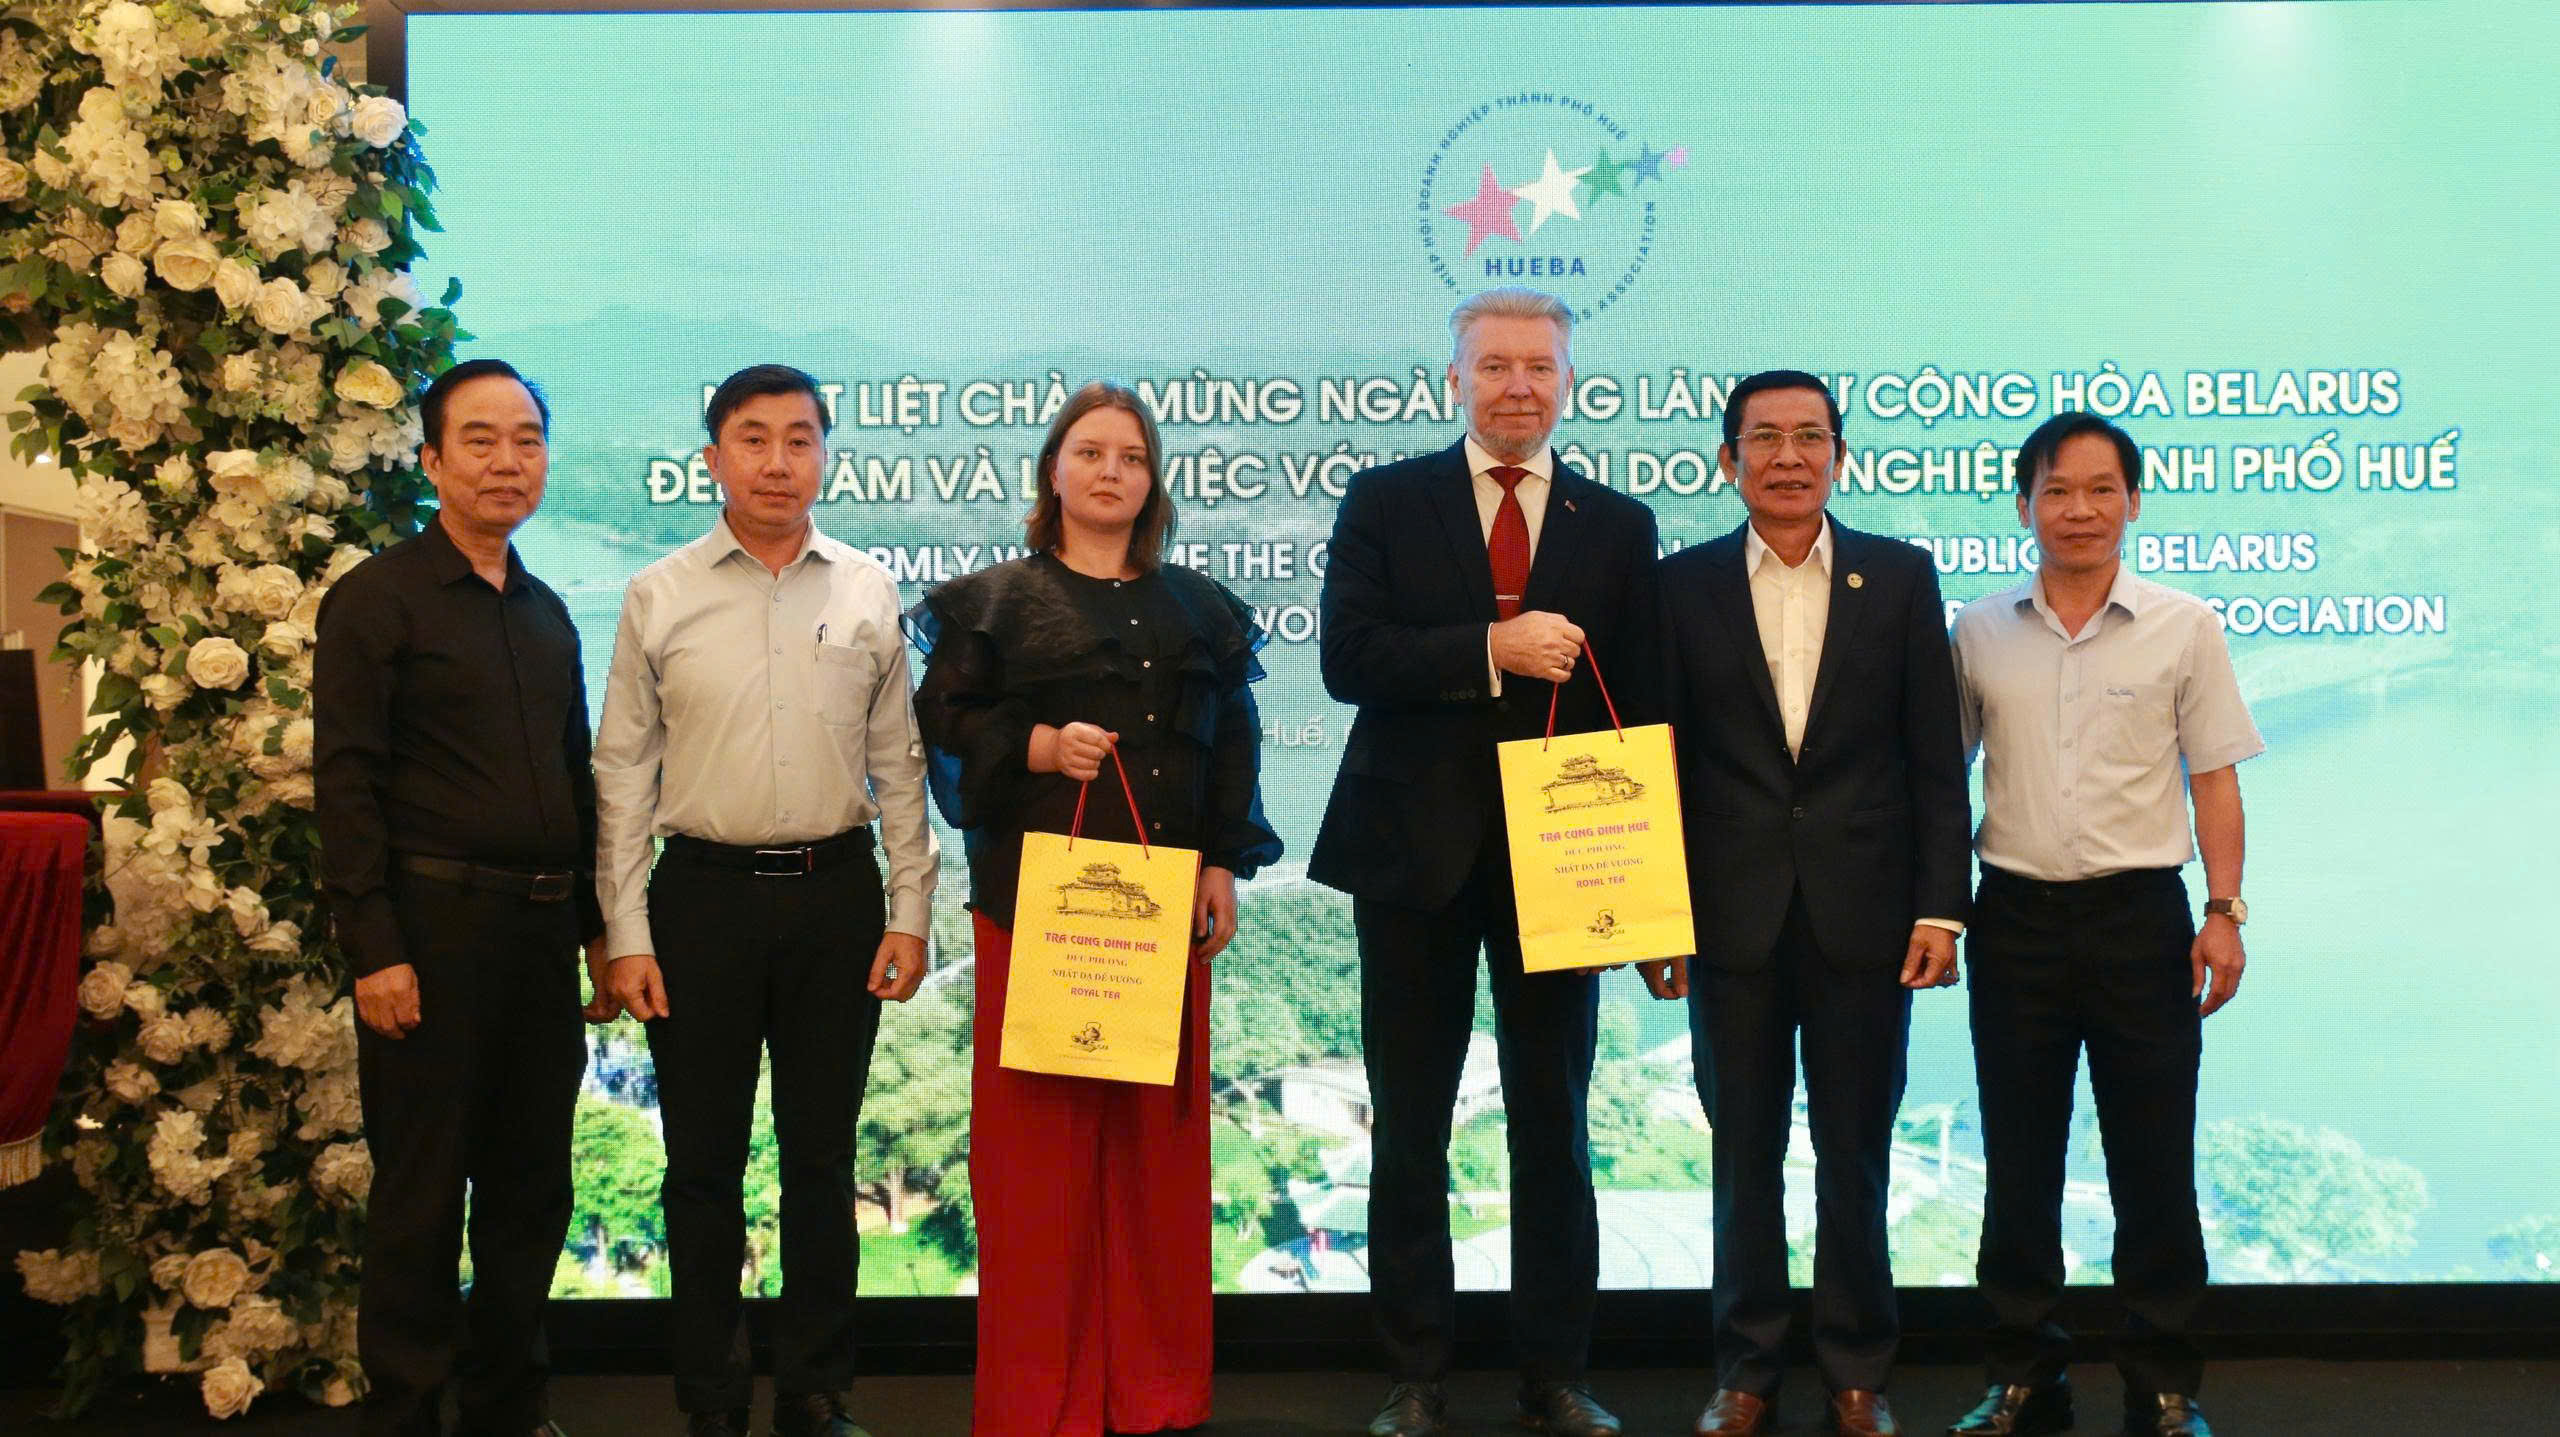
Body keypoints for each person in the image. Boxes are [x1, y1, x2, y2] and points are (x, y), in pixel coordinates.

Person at [1311, 287, 1660, 1437]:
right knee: (1411, 1128)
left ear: (1568, 383)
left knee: (1553, 1127)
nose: (1518, 385)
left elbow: (1641, 706)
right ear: (1454, 377)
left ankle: (1555, 1373)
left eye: (1538, 367)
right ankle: (1414, 1374)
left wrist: (1650, 902)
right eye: (1496, 365)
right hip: (1411, 860)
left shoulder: (1619, 526)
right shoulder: (1384, 500)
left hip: (1572, 864)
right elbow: (1349, 659)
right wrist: (1489, 649)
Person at [907, 379, 1282, 1436]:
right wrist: (1034, 745)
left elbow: (1232, 740)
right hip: (1036, 915)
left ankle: (1155, 1394)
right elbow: (943, 730)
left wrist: (1222, 863)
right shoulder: (988, 602)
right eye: (1090, 452)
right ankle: (1043, 1402)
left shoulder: (1200, 607)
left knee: (1157, 1166)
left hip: (1161, 914)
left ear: (1152, 481)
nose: (1111, 471)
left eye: (1132, 456)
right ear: (1053, 471)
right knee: (1039, 1171)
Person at [593, 364, 938, 1437]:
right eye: (753, 438)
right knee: (701, 1168)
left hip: (838, 899)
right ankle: (709, 1395)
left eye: (799, 438)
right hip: (700, 901)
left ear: (825, 455)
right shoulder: (658, 593)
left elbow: (900, 764)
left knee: (821, 1160)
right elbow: (621, 774)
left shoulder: (867, 589)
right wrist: (625, 930)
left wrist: (910, 909)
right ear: (713, 459)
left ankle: (814, 1389)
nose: (777, 461)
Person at [1644, 370, 1970, 1437]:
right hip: (1725, 920)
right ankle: (1745, 1371)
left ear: (1838, 454)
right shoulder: (1679, 586)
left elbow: (1933, 758)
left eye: (1809, 436)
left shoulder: (1901, 576)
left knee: (1856, 1153)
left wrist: (1940, 908)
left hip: (1865, 919)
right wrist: (1654, 916)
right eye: (1765, 437)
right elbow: (1654, 759)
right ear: (1727, 458)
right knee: (1742, 1157)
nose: (1788, 456)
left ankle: (1857, 1370)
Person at [314, 357, 616, 1437]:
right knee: (423, 1193)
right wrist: (374, 946)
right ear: (433, 460)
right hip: (430, 934)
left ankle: (508, 1408)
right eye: (480, 440)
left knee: (533, 1190)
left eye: (527, 440)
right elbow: (346, 782)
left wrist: (595, 933)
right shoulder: (376, 600)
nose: (506, 461)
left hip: (538, 937)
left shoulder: (547, 614)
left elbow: (573, 781)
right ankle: (404, 1413)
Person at [1944, 413, 2260, 1437]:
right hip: (2015, 920)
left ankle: (2162, 1385)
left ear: (2132, 501)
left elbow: (2214, 779)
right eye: (2055, 490)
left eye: (2098, 490)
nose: (2077, 510)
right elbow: (1939, 778)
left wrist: (2223, 911)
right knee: (2017, 1161)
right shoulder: (1977, 630)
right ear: (2022, 505)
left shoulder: (2184, 624)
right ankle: (2023, 1373)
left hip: (2141, 921)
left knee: (2154, 1159)